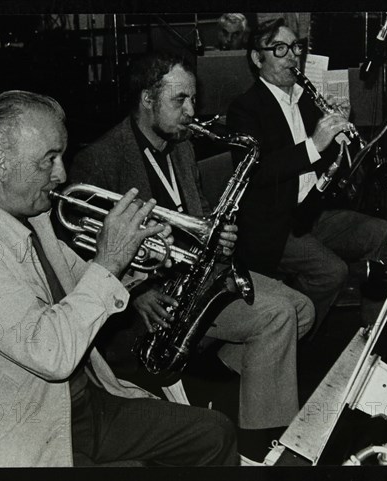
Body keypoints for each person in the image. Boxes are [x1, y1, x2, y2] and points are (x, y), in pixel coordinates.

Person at [0, 90, 238, 467]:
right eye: (48, 160)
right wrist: (109, 261)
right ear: (0, 163)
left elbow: (84, 281)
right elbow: (51, 352)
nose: (62, 174)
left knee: (215, 433)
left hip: (82, 406)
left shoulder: (31, 216)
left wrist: (138, 257)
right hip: (22, 436)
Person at [69, 52, 315, 461]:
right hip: (155, 297)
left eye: (193, 100)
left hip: (198, 277)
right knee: (276, 317)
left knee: (303, 308)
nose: (191, 112)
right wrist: (137, 294)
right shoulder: (100, 159)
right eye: (179, 100)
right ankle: (257, 450)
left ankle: (211, 369)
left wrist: (218, 235)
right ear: (148, 99)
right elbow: (79, 253)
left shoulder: (180, 147)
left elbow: (197, 211)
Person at [227, 18, 387, 331]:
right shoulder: (245, 109)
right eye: (280, 48)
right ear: (257, 58)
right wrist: (315, 143)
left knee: (383, 234)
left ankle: (369, 335)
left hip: (313, 212)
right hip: (274, 224)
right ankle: (290, 335)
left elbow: (327, 161)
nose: (292, 56)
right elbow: (258, 172)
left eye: (295, 47)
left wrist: (340, 135)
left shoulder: (305, 100)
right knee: (332, 272)